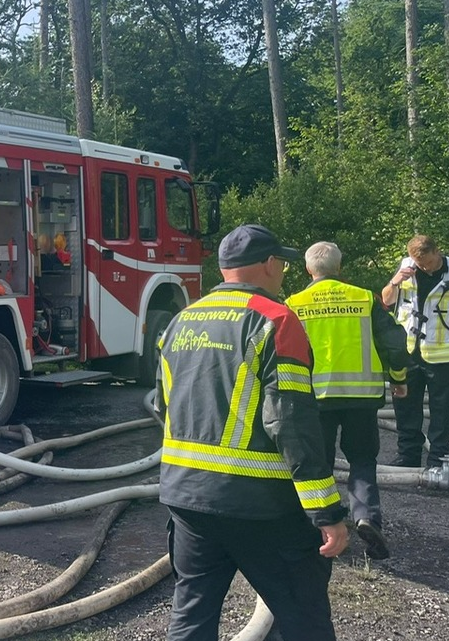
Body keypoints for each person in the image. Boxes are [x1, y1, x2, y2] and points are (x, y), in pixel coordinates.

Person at [156, 224, 348, 641]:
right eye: (282, 264)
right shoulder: (277, 320)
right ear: (269, 264)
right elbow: (292, 424)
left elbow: (162, 407)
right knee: (305, 619)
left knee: (191, 618)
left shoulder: (180, 321)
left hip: (186, 496)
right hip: (262, 505)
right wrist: (326, 512)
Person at [286, 242, 409, 560]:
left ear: (308, 270)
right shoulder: (364, 298)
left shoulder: (294, 304)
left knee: (319, 462)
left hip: (314, 398)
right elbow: (395, 344)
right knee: (363, 460)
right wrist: (398, 379)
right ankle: (366, 517)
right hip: (361, 397)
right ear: (339, 268)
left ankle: (322, 527)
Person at [379, 234, 449, 469]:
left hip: (444, 351)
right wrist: (395, 281)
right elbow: (386, 301)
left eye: (428, 263)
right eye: (420, 264)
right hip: (409, 350)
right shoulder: (406, 267)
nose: (425, 268)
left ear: (437, 252)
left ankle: (438, 457)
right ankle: (408, 455)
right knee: (405, 405)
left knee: (442, 409)